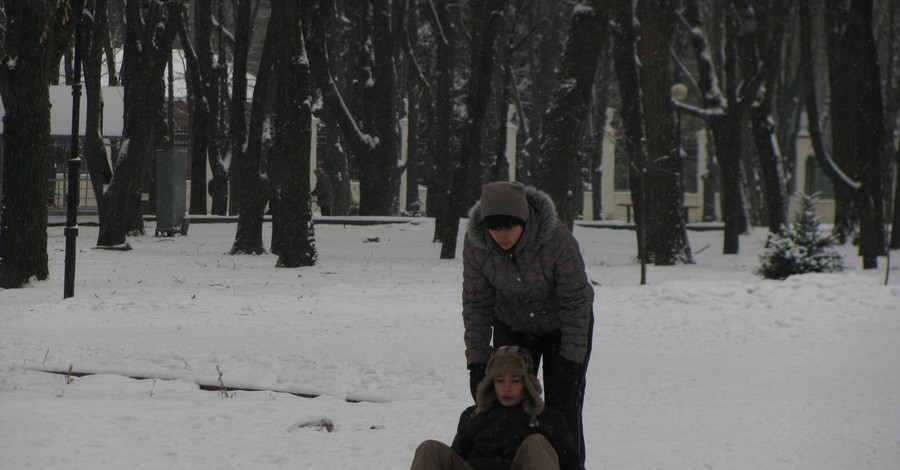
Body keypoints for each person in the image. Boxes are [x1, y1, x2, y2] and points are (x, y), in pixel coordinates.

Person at [462, 181, 594, 469]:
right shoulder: (476, 244)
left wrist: (571, 360)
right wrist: (478, 361)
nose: (501, 236)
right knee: (509, 398)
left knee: (563, 405)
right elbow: (476, 303)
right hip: (513, 323)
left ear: (524, 220)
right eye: (494, 229)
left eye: (509, 227)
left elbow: (576, 300)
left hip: (564, 323)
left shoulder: (557, 238)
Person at [410, 346, 578, 470]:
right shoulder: (474, 415)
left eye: (515, 381)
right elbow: (457, 457)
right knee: (429, 448)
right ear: (491, 382)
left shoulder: (548, 417)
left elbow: (570, 464)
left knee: (536, 443)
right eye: (499, 380)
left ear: (527, 383)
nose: (506, 388)